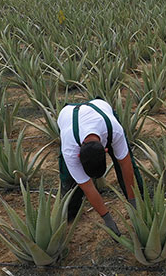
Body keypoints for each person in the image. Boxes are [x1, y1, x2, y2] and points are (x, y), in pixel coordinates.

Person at [57, 98, 143, 235]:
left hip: (101, 109)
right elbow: (88, 187)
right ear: (78, 156)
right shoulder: (70, 149)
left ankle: (140, 204)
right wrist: (107, 219)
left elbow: (126, 165)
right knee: (68, 177)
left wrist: (133, 202)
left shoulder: (114, 131)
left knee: (128, 163)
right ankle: (71, 212)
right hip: (68, 116)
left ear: (106, 150)